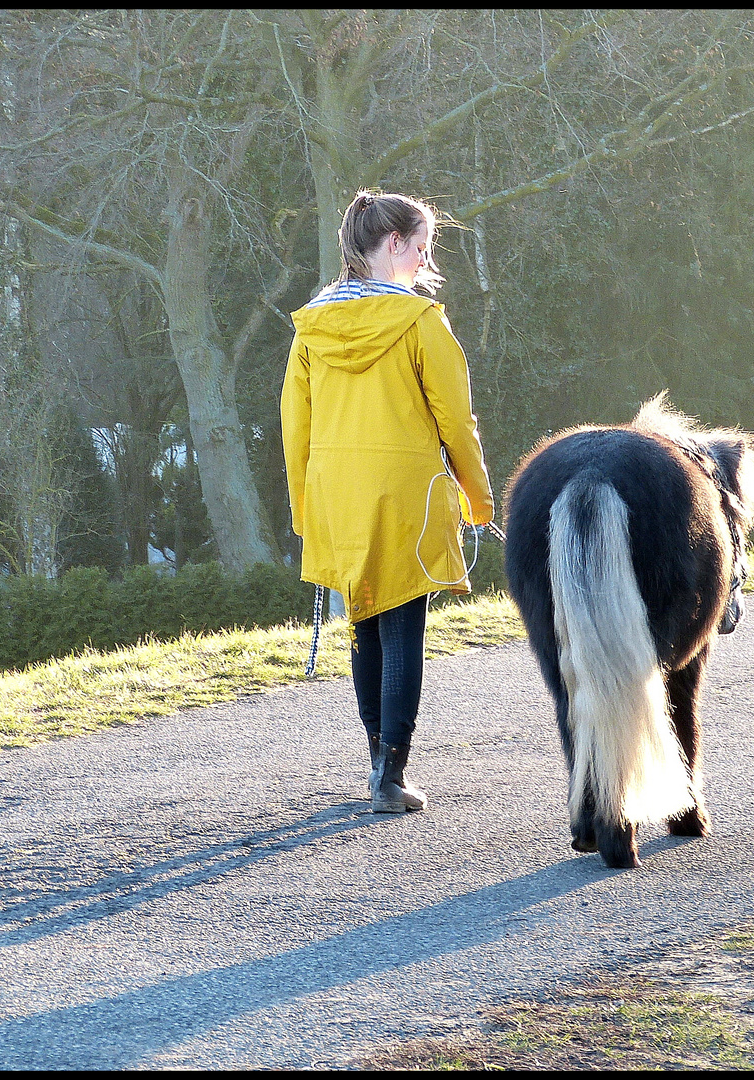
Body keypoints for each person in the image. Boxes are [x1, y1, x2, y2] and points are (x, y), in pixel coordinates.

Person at [281, 191, 495, 813]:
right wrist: (478, 499)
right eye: (423, 246)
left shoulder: (310, 329)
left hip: (335, 495)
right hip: (408, 493)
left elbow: (296, 428)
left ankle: (378, 762)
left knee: (364, 623)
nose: (428, 260)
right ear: (393, 244)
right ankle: (390, 775)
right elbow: (457, 421)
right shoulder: (421, 322)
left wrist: (304, 507)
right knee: (403, 627)